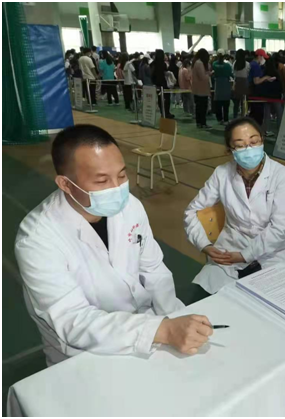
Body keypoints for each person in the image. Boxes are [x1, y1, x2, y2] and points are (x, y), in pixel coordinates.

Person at [15, 125, 214, 366]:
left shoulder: (130, 206)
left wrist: (172, 317)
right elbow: (73, 320)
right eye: (101, 180)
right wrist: (161, 330)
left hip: (149, 326)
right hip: (84, 352)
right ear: (66, 184)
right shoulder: (37, 239)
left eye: (121, 175)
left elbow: (153, 269)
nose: (117, 188)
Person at [184, 118, 285, 294]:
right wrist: (204, 245)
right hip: (230, 248)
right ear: (230, 149)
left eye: (254, 141)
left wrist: (245, 255)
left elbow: (280, 227)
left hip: (274, 250)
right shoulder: (222, 173)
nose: (249, 149)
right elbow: (192, 211)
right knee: (214, 296)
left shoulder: (280, 174)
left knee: (277, 296)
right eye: (240, 145)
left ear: (262, 140)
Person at [248, 48, 275, 133]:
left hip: (251, 91)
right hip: (256, 93)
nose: (264, 59)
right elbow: (256, 81)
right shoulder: (256, 66)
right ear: (259, 56)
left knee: (253, 112)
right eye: (263, 57)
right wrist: (266, 77)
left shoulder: (251, 64)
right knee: (258, 114)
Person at [192, 48, 212, 129]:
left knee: (198, 108)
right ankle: (203, 123)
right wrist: (210, 74)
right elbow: (202, 77)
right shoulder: (199, 63)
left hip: (197, 90)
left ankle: (199, 123)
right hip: (202, 90)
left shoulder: (195, 62)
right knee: (203, 108)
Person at [151, 49, 174, 119]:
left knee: (160, 99)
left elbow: (152, 74)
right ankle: (167, 112)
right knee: (167, 99)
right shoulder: (163, 64)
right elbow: (165, 72)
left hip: (157, 84)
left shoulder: (153, 64)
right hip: (164, 83)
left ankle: (162, 112)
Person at [213, 53, 233, 125]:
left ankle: (219, 119)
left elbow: (213, 74)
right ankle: (226, 120)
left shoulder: (214, 64)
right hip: (225, 85)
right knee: (226, 104)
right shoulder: (227, 65)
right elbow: (231, 74)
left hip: (218, 85)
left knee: (218, 103)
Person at [232, 49, 250, 118]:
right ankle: (243, 116)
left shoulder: (235, 63)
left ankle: (235, 116)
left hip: (237, 82)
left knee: (236, 102)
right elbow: (248, 73)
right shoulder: (247, 64)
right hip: (245, 83)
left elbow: (233, 73)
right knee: (244, 102)